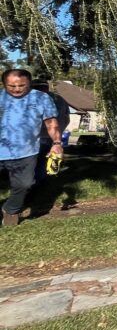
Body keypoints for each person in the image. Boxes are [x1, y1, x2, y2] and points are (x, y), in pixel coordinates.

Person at [0, 69, 61, 227]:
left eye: (22, 85)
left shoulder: (41, 98)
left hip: (26, 151)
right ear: (4, 84)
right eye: (11, 86)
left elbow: (51, 123)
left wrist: (57, 143)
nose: (17, 89)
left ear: (29, 83)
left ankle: (11, 210)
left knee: (25, 184)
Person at [31, 81, 70, 183]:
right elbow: (67, 119)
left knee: (31, 161)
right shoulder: (61, 99)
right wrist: (59, 131)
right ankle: (41, 180)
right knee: (44, 160)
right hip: (53, 137)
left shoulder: (35, 99)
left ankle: (33, 183)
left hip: (36, 136)